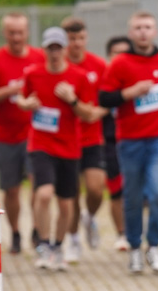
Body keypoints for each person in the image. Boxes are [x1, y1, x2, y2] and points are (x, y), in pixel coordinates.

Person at [99, 11, 158, 274]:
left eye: (148, 27)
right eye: (138, 28)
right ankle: (135, 248)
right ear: (131, 32)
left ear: (155, 31)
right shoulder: (120, 63)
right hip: (130, 141)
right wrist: (130, 93)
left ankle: (154, 246)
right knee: (133, 197)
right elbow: (104, 98)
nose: (143, 32)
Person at [15, 27, 99, 271]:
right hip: (40, 144)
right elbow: (21, 99)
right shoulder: (33, 73)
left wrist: (72, 100)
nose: (54, 53)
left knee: (65, 204)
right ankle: (42, 244)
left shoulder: (78, 77)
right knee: (43, 194)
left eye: (58, 48)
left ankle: (58, 246)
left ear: (64, 49)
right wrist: (27, 103)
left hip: (69, 147)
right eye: (49, 48)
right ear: (44, 49)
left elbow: (89, 113)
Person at [0, 13, 46, 254]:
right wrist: (8, 90)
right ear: (4, 33)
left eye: (20, 32)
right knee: (12, 189)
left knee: (39, 185)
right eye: (11, 33)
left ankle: (38, 229)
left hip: (36, 134)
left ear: (27, 32)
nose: (16, 37)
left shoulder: (39, 57)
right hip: (5, 135)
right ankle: (15, 232)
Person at [61, 17, 109, 263]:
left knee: (95, 189)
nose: (76, 43)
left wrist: (95, 112)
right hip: (66, 139)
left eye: (80, 38)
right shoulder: (60, 66)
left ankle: (89, 218)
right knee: (70, 195)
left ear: (86, 38)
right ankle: (73, 240)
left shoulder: (98, 65)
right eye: (71, 39)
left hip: (92, 137)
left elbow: (107, 101)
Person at [102, 36, 132, 251]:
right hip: (107, 140)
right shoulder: (102, 79)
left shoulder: (136, 77)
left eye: (125, 53)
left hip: (132, 139)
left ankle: (134, 231)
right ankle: (121, 234)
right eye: (116, 53)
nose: (120, 57)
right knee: (116, 190)